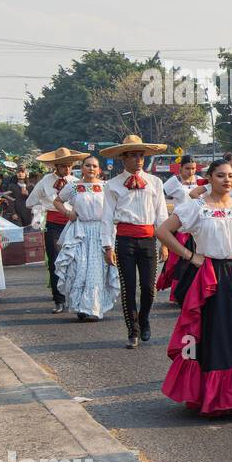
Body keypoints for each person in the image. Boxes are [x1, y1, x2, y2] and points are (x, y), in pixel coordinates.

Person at [157, 158, 232, 416]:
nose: (227, 180)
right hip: (209, 278)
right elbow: (163, 231)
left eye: (231, 175)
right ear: (210, 178)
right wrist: (189, 256)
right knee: (212, 336)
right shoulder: (196, 207)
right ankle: (213, 396)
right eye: (221, 176)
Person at [100, 135, 169, 349]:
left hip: (148, 238)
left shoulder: (155, 182)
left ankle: (144, 317)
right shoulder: (112, 185)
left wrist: (165, 243)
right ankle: (133, 331)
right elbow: (107, 217)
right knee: (128, 287)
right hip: (124, 239)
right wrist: (108, 246)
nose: (139, 160)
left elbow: (161, 215)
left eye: (141, 155)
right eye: (133, 156)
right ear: (123, 158)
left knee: (148, 288)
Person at [52, 156, 120, 321]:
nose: (91, 169)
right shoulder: (74, 186)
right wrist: (68, 213)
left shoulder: (106, 186)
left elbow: (116, 207)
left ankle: (94, 308)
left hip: (101, 232)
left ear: (99, 169)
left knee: (98, 270)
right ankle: (80, 307)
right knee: (79, 268)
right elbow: (57, 201)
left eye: (94, 166)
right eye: (88, 165)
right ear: (82, 168)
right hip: (80, 231)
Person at [28, 149, 82, 312]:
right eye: (64, 166)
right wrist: (41, 210)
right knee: (55, 261)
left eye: (69, 166)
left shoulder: (76, 181)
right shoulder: (45, 181)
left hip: (72, 224)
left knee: (75, 259)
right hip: (52, 224)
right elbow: (30, 202)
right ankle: (58, 299)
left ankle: (74, 296)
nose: (67, 169)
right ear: (55, 166)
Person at [157, 156, 205, 301]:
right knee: (181, 261)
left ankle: (196, 293)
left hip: (199, 225)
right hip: (181, 226)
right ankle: (180, 293)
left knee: (199, 260)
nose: (191, 171)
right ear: (180, 168)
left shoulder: (200, 181)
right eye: (187, 168)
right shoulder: (173, 182)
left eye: (193, 168)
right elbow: (160, 197)